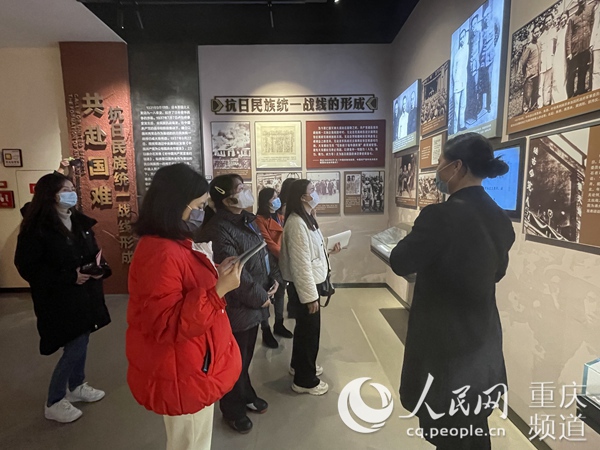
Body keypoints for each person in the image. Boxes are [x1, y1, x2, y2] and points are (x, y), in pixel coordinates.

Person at [389, 133, 515, 450]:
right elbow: (498, 272)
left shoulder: (441, 216)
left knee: (449, 431)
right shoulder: (499, 217)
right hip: (481, 338)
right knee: (472, 424)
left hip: (444, 345)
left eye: (440, 163)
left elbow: (401, 261)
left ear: (457, 167)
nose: (438, 170)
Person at [126, 164, 242, 450]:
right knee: (190, 442)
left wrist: (216, 273)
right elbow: (168, 323)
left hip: (191, 362)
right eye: (199, 206)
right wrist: (218, 291)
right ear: (176, 205)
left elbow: (184, 288)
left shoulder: (173, 243)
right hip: (183, 368)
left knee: (195, 439)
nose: (202, 213)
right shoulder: (162, 252)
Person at [14, 172, 111, 423]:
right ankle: (54, 400)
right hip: (59, 298)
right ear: (50, 195)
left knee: (82, 339)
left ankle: (77, 385)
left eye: (71, 188)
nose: (71, 193)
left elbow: (92, 252)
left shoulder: (78, 221)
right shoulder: (36, 229)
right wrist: (69, 276)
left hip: (85, 295)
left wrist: (100, 268)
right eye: (65, 190)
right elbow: (28, 267)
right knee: (75, 344)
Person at [197, 174, 280, 434]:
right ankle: (232, 408)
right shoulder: (218, 228)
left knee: (245, 357)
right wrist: (261, 297)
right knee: (234, 361)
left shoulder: (247, 219)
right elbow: (234, 274)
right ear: (227, 199)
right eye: (241, 188)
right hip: (236, 307)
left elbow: (262, 253)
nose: (246, 192)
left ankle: (246, 393)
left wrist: (273, 279)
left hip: (254, 304)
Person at [279, 180, 341, 396]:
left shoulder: (306, 218)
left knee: (304, 331)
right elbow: (300, 265)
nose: (316, 194)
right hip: (306, 287)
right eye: (312, 191)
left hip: (309, 285)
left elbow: (310, 253)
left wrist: (329, 251)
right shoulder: (296, 223)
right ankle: (304, 381)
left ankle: (299, 366)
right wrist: (310, 297)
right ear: (302, 197)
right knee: (309, 334)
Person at [255, 187, 294, 347]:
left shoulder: (280, 217)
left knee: (280, 293)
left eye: (277, 196)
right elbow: (268, 243)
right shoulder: (259, 219)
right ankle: (266, 330)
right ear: (266, 201)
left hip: (281, 260)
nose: (277, 200)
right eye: (274, 198)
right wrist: (285, 257)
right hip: (267, 261)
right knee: (265, 294)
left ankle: (279, 323)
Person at [566, 0, 595, 98]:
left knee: (583, 70)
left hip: (585, 47)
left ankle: (580, 90)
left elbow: (592, 25)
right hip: (575, 50)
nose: (581, 2)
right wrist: (569, 52)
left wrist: (592, 42)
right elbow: (568, 35)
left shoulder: (590, 10)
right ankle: (570, 94)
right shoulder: (573, 18)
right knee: (572, 73)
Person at [519, 27, 541, 113]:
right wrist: (526, 72)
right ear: (533, 34)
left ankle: (533, 109)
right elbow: (523, 61)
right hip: (530, 76)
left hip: (537, 73)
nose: (537, 34)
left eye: (538, 32)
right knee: (527, 94)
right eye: (535, 32)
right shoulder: (529, 47)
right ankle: (525, 111)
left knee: (535, 93)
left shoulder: (539, 44)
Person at [539, 13, 558, 106]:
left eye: (549, 20)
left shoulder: (554, 31)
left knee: (549, 83)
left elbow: (555, 45)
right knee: (541, 85)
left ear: (552, 20)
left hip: (551, 61)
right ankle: (540, 104)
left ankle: (547, 102)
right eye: (546, 21)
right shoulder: (542, 36)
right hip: (543, 63)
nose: (548, 23)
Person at [453, 28, 469, 133]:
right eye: (461, 37)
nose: (462, 39)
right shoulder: (457, 54)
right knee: (457, 106)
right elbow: (454, 70)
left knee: (463, 104)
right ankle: (455, 129)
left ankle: (462, 124)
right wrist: (456, 80)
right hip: (458, 82)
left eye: (464, 36)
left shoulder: (467, 48)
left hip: (464, 80)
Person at [554, 12, 570, 102]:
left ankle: (562, 96)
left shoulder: (568, 28)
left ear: (567, 18)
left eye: (565, 18)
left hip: (564, 54)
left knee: (563, 73)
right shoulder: (559, 31)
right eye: (562, 18)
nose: (563, 20)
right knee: (556, 75)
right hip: (557, 54)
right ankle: (556, 97)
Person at [591, 0, 600, 90]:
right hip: (597, 43)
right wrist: (592, 43)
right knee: (596, 69)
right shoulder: (596, 8)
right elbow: (594, 26)